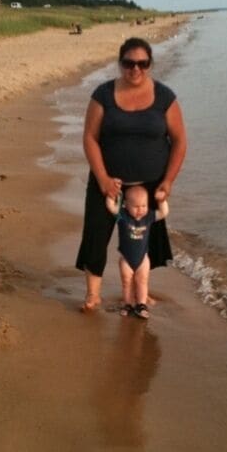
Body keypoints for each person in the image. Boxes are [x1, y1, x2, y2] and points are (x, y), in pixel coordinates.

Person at [75, 36, 187, 311]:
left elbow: (180, 141)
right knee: (96, 236)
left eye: (142, 63)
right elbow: (90, 137)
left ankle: (140, 294)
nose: (135, 69)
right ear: (120, 63)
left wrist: (168, 182)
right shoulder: (103, 95)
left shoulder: (164, 97)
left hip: (150, 186)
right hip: (108, 182)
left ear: (150, 64)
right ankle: (93, 295)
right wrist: (102, 179)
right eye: (129, 63)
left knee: (145, 240)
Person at [105, 184, 169, 318]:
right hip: (126, 259)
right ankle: (127, 304)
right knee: (126, 282)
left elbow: (164, 213)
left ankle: (141, 305)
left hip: (143, 259)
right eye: (136, 206)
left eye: (143, 206)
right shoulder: (122, 216)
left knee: (142, 281)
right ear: (126, 205)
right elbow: (111, 207)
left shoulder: (149, 217)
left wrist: (161, 201)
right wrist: (111, 195)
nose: (140, 210)